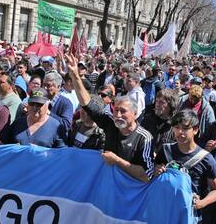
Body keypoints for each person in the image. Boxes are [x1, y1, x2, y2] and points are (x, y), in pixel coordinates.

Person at [66, 53, 154, 182]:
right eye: (116, 110)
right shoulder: (111, 123)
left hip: (128, 193)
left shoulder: (144, 138)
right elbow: (87, 104)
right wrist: (75, 76)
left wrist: (117, 161)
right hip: (106, 185)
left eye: (123, 111)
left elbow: (146, 175)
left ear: (135, 114)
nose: (118, 115)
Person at [154, 110, 216, 219]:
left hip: (188, 215)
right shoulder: (165, 150)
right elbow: (152, 177)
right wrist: (155, 170)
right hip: (165, 211)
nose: (180, 132)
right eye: (176, 127)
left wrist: (202, 203)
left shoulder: (206, 159)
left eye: (185, 128)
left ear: (195, 130)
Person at [141, 89, 178, 154]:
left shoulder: (176, 126)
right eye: (157, 101)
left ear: (171, 105)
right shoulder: (148, 119)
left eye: (162, 102)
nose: (157, 104)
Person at [43, 71, 73, 138]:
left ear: (58, 87)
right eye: (44, 85)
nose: (45, 88)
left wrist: (48, 113)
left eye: (48, 85)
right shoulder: (41, 99)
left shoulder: (66, 103)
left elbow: (66, 125)